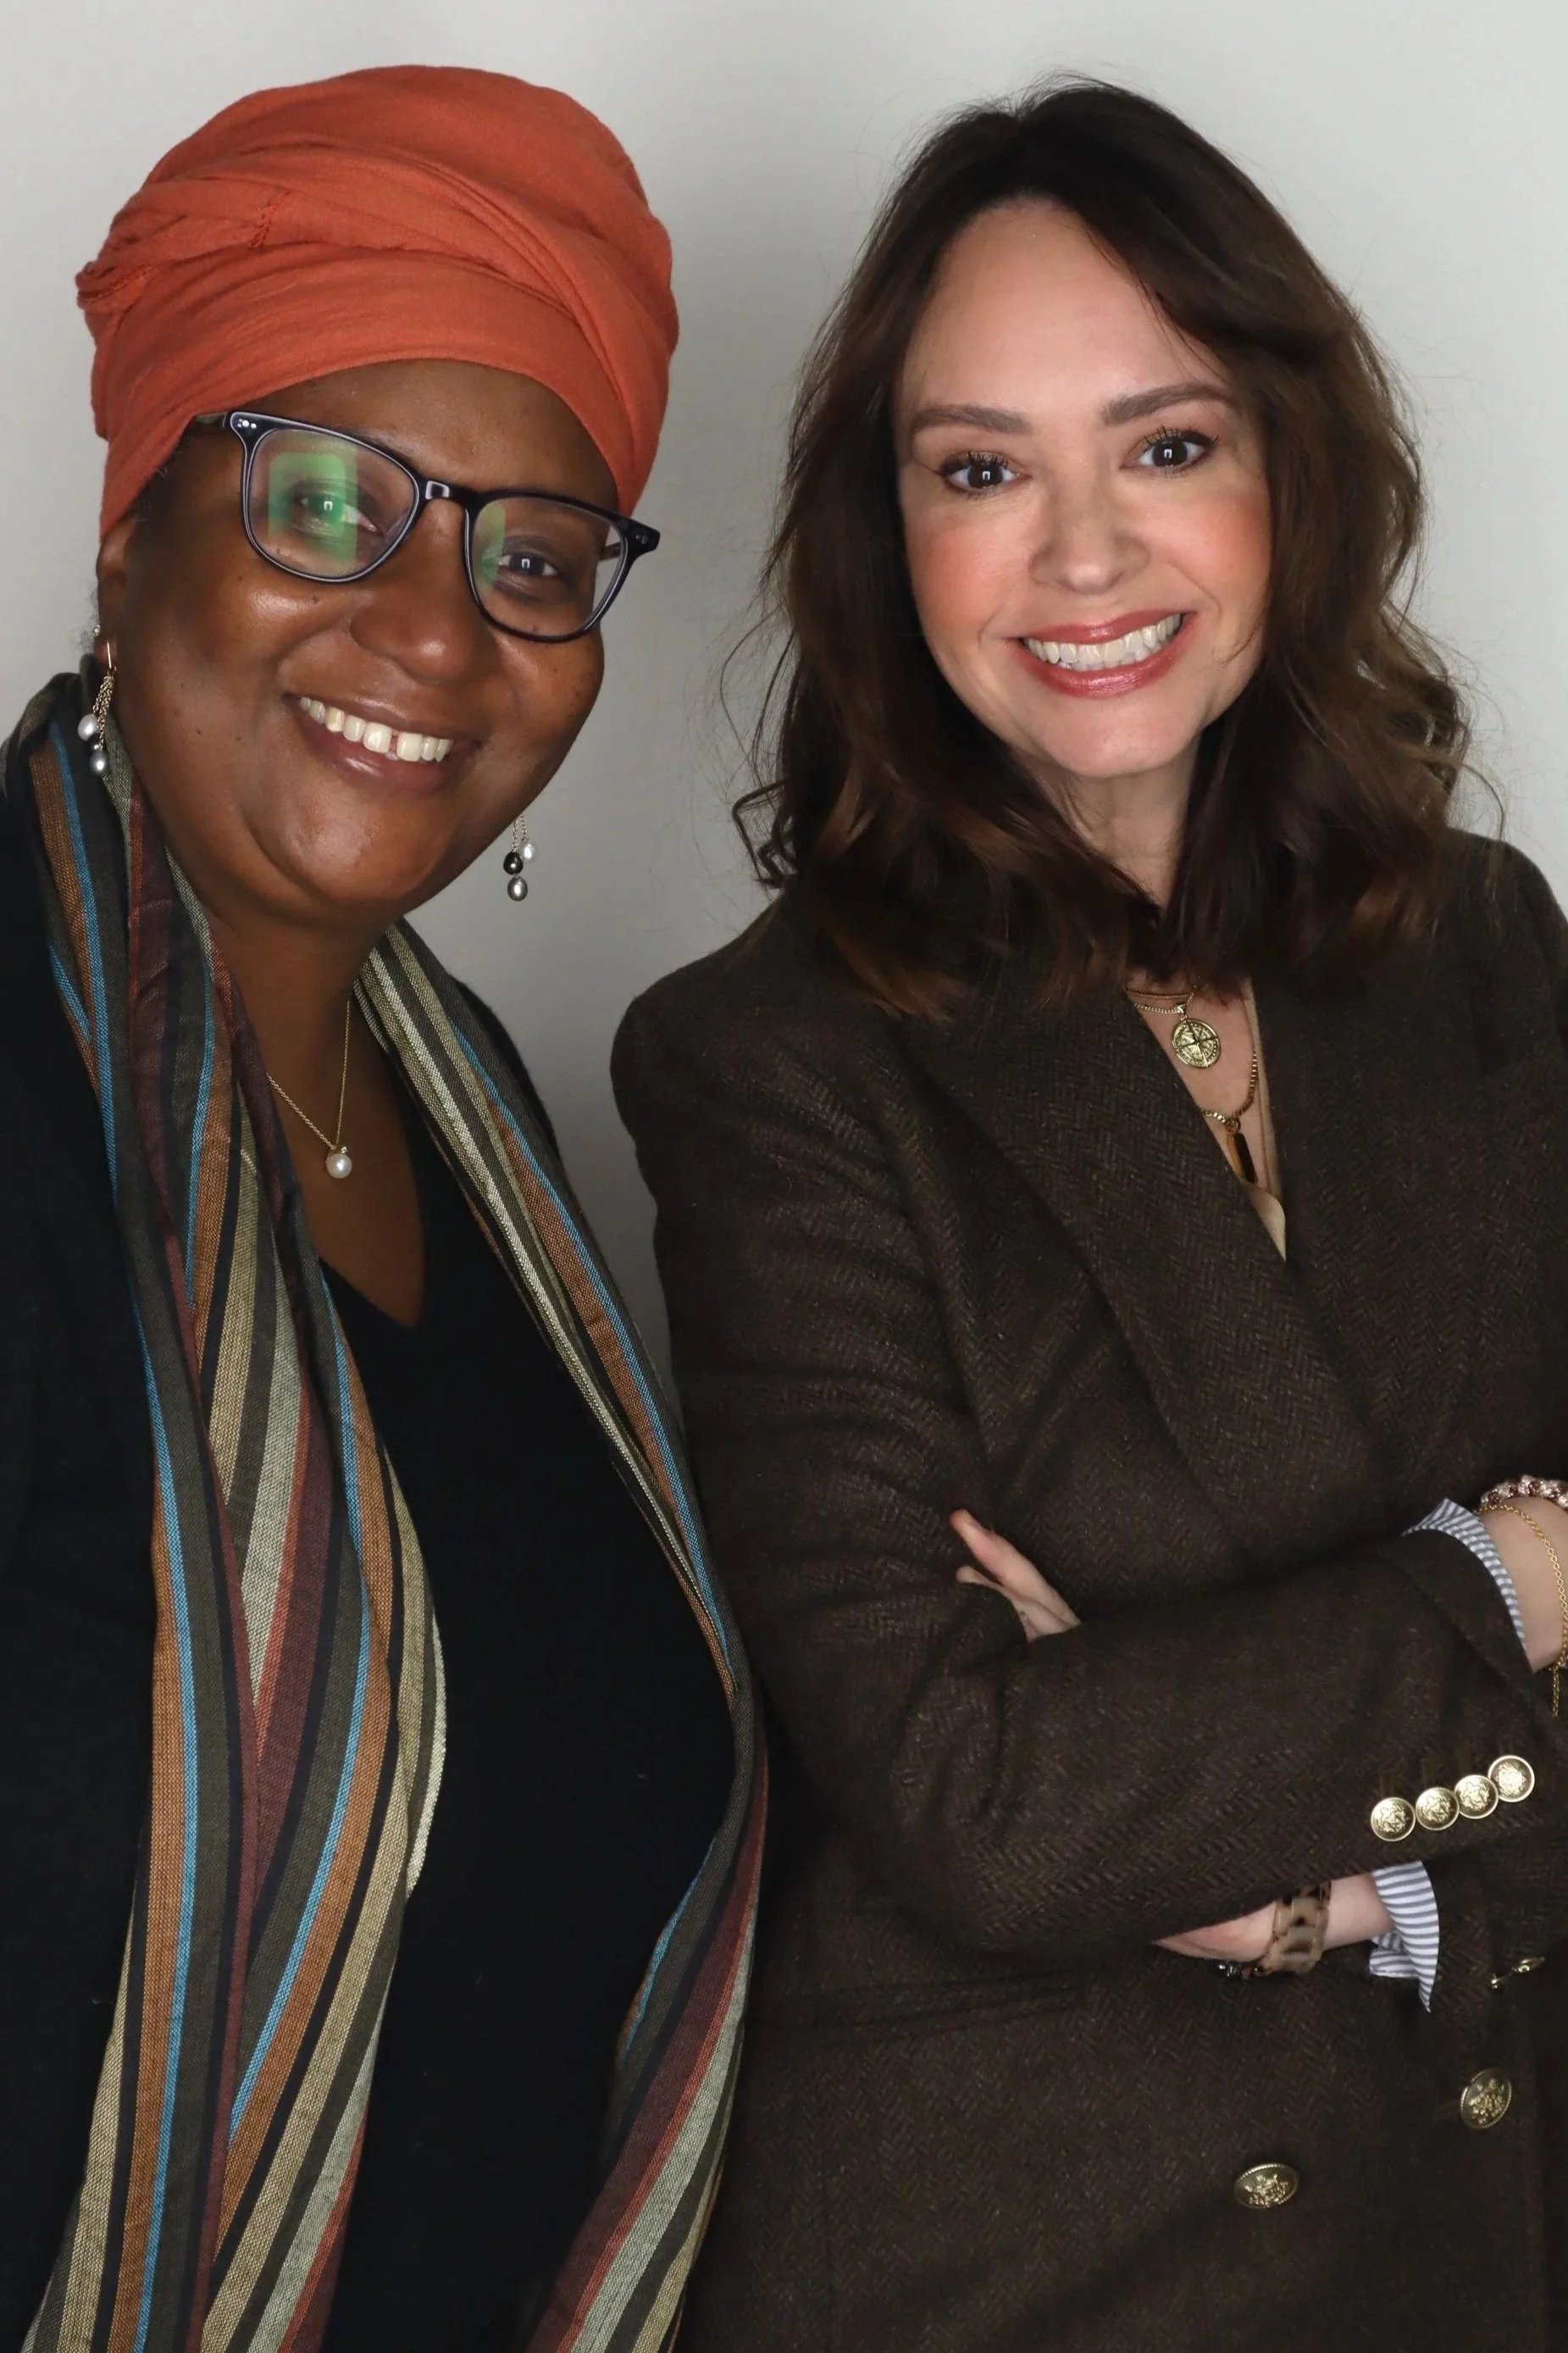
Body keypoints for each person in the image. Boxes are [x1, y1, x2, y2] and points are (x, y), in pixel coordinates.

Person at [613, 78, 1568, 2351]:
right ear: (888, 533)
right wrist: (1500, 1581)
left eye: (1163, 445)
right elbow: (985, 1802)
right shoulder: (772, 1065)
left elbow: (1079, 1784)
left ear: (1289, 475)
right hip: (1029, 2269)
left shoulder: (1492, 951)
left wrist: (1327, 1895)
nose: (1081, 561)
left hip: (1472, 2218)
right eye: (979, 471)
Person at [0, 65, 762, 2353]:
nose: (438, 631)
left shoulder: (483, 1126)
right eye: (329, 502)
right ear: (137, 526)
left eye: (531, 554)